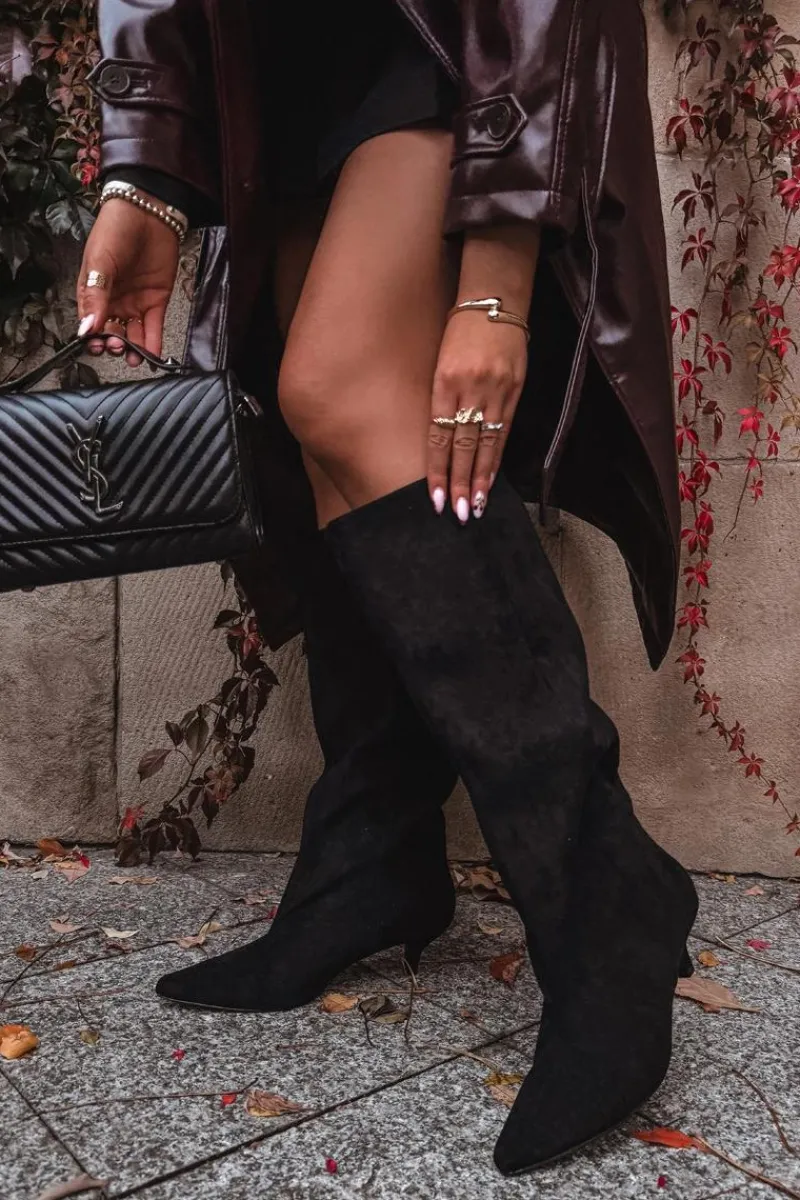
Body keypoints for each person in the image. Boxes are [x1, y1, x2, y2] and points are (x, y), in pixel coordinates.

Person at [77, 0, 699, 1176]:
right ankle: (371, 858)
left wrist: (495, 282)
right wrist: (142, 178)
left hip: (433, 44)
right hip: (281, 64)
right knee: (327, 441)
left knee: (337, 391)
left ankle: (604, 895)